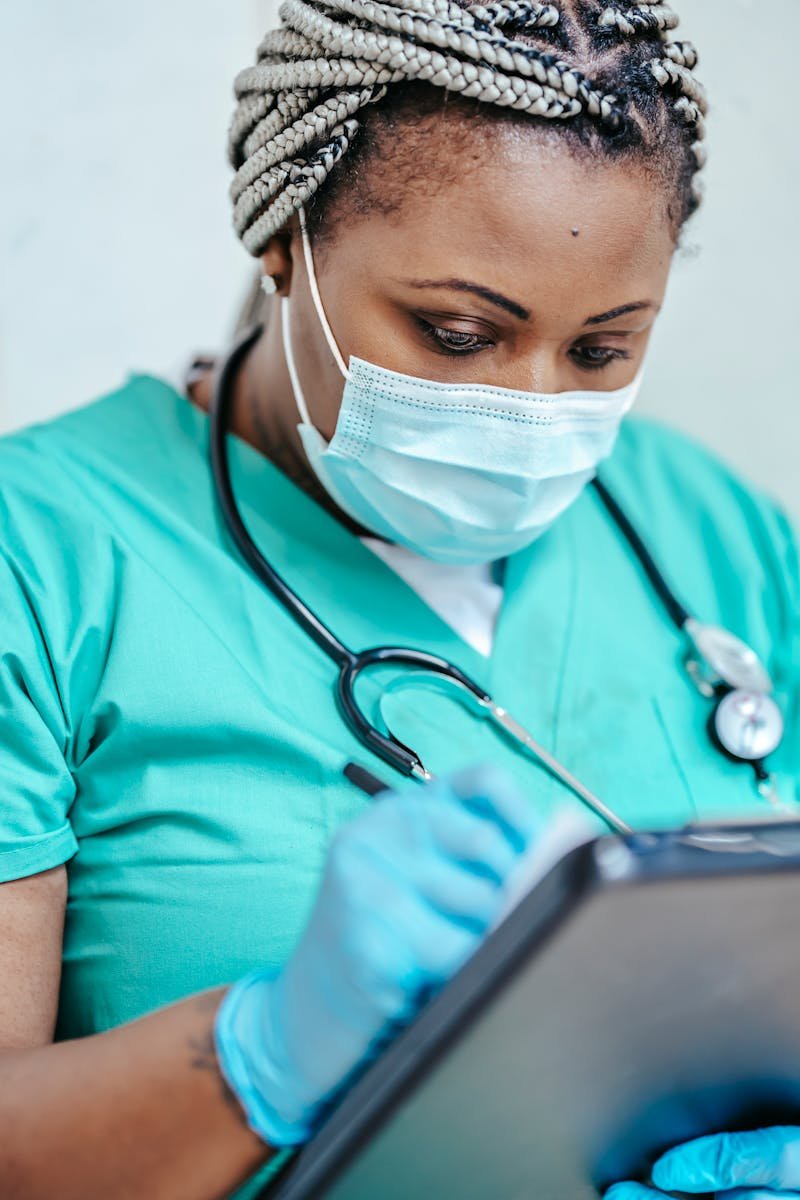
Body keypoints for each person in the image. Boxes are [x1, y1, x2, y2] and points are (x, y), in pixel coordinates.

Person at [0, 1, 798, 1197]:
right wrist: (258, 1053)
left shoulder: (708, 527)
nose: (529, 409)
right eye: (457, 331)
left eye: (600, 350)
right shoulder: (43, 550)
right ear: (286, 242)